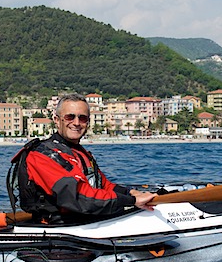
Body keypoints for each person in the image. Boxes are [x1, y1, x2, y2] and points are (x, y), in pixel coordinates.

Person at [9, 94, 156, 223]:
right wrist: (131, 201)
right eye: (70, 117)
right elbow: (79, 197)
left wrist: (131, 192)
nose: (77, 123)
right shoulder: (41, 156)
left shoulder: (81, 153)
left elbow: (103, 185)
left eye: (82, 118)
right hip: (60, 234)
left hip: (85, 221)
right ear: (56, 119)